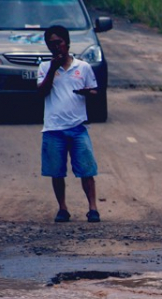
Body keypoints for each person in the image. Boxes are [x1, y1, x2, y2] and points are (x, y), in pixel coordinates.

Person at [37, 25, 101, 223]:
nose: (56, 47)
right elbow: (41, 92)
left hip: (78, 127)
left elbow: (94, 91)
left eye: (59, 43)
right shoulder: (44, 67)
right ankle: (62, 208)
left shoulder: (83, 67)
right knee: (57, 172)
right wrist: (53, 69)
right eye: (51, 44)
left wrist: (87, 93)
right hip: (53, 128)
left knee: (87, 170)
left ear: (67, 43)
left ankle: (93, 208)